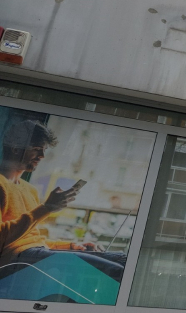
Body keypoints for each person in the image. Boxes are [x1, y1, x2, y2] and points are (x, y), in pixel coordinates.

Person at [0, 120, 126, 283]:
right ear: (15, 148)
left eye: (44, 150)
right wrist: (46, 208)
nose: (42, 156)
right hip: (14, 260)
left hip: (33, 253)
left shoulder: (30, 190)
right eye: (37, 149)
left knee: (122, 259)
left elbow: (35, 240)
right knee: (117, 271)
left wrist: (70, 246)